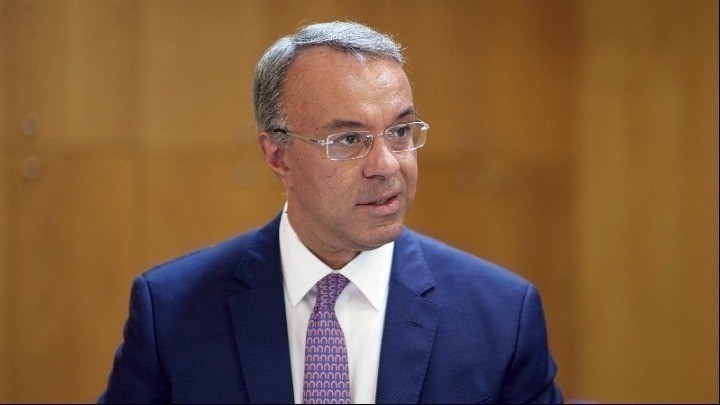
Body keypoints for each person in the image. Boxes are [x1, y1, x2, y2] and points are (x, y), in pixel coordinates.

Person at [99, 21, 562, 404]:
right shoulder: (172, 311)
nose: (386, 165)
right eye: (348, 139)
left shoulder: (502, 315)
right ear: (278, 156)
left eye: (400, 132)